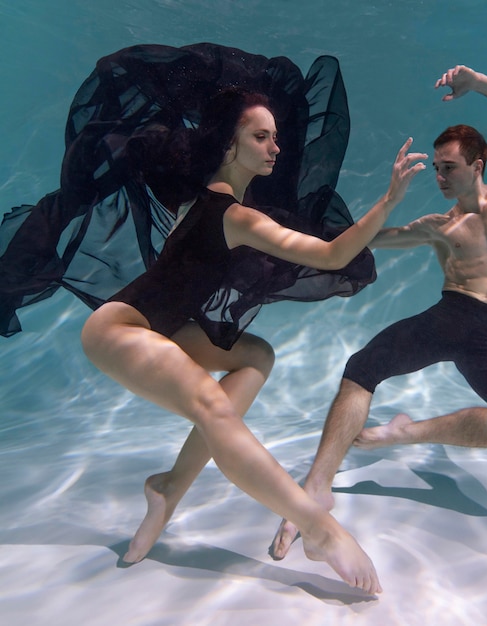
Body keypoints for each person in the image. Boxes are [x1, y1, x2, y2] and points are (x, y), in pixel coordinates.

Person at [79, 86, 427, 594]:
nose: (275, 147)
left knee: (256, 356)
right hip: (118, 330)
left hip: (162, 329)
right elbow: (330, 257)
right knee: (209, 404)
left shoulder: (209, 205)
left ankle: (170, 486)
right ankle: (320, 528)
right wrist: (389, 199)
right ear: (228, 145)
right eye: (260, 137)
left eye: (275, 138)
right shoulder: (232, 214)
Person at [269, 64, 487, 560]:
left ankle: (406, 434)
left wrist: (477, 83)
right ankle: (315, 487)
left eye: (449, 167)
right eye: (436, 168)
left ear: (478, 164)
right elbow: (364, 240)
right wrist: (384, 199)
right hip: (449, 317)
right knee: (362, 369)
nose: (439, 176)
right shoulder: (438, 224)